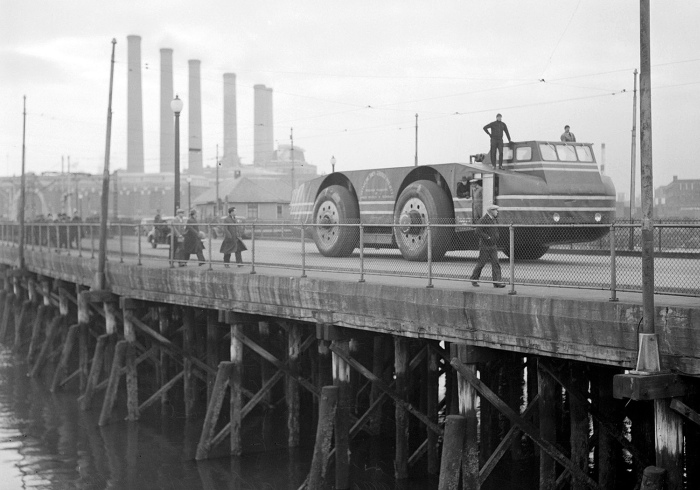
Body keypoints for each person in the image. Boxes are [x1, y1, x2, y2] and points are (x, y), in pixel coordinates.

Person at [470, 204, 505, 288]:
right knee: (481, 263)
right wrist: (487, 237)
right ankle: (474, 279)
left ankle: (497, 282)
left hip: (493, 246)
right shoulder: (484, 219)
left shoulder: (494, 219)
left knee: (496, 263)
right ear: (491, 211)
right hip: (485, 246)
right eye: (496, 210)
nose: (497, 211)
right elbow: (478, 231)